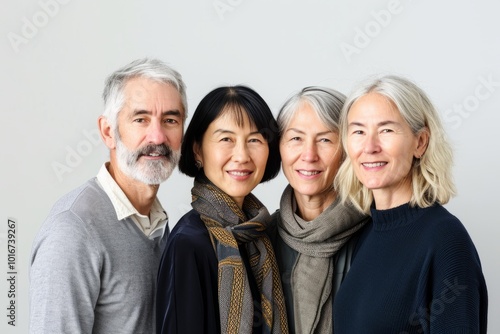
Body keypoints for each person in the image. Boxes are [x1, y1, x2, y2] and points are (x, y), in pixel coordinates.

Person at [30, 58, 187, 334]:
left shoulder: (159, 226)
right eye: (141, 119)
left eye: (170, 120)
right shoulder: (72, 231)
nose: (158, 137)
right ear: (108, 132)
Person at [333, 74, 488, 333]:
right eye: (358, 131)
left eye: (386, 130)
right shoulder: (365, 233)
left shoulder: (446, 240)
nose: (369, 146)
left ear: (420, 142)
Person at [156, 85, 288, 334]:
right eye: (226, 139)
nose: (241, 155)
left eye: (254, 140)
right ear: (197, 150)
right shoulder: (189, 242)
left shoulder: (259, 234)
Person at [267, 87, 369, 334]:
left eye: (325, 139)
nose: (309, 155)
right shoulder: (262, 237)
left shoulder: (377, 235)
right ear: (279, 147)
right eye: (296, 138)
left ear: (347, 149)